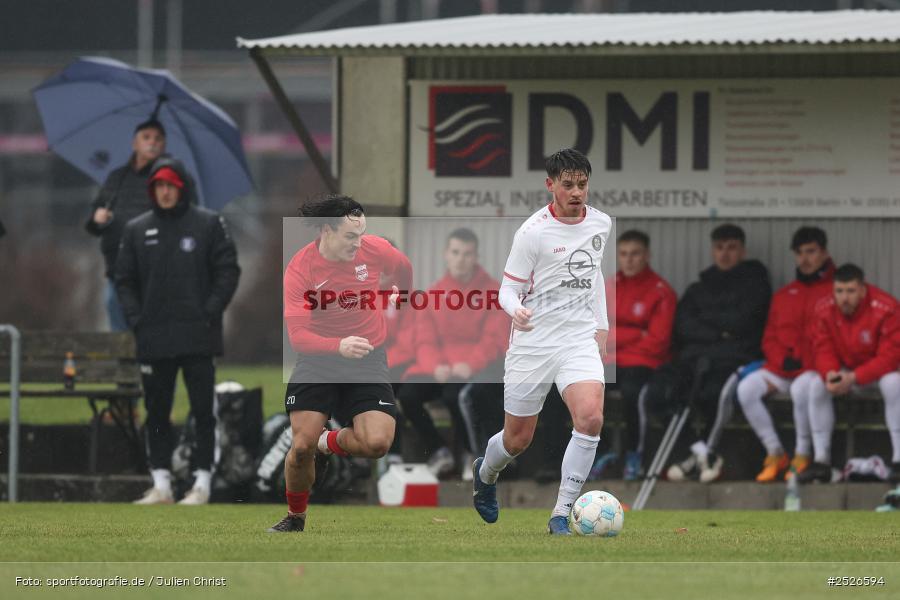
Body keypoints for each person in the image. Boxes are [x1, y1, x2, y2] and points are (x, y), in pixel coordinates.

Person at [471, 148, 612, 535]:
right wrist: (515, 310)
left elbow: (594, 272)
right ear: (551, 185)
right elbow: (507, 290)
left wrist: (601, 323)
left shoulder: (601, 223)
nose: (577, 192)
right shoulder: (532, 233)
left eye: (582, 184)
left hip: (577, 338)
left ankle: (561, 514)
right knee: (517, 440)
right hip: (533, 342)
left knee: (591, 417)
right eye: (568, 185)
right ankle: (485, 473)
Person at [270, 195, 412, 533]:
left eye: (361, 234)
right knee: (301, 447)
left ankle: (327, 442)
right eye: (351, 236)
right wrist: (338, 346)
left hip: (367, 360)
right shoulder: (300, 269)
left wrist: (400, 295)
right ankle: (295, 517)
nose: (358, 243)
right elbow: (299, 338)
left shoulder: (374, 250)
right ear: (326, 231)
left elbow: (403, 268)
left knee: (377, 444)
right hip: (318, 361)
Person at [116, 156, 240, 505]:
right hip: (154, 337)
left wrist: (210, 311)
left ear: (182, 188)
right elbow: (123, 280)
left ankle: (202, 483)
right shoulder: (136, 230)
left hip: (198, 336)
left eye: (171, 185)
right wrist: (136, 317)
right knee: (157, 410)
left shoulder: (209, 224)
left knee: (203, 411)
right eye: (159, 185)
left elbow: (228, 271)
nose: (165, 192)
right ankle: (161, 484)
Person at [648, 224, 771, 483]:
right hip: (692, 360)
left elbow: (744, 322)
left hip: (733, 360)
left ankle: (703, 454)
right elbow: (683, 325)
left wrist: (709, 326)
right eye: (719, 248)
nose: (725, 254)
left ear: (742, 250)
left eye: (731, 248)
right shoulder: (698, 288)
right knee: (657, 391)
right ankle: (700, 451)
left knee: (712, 394)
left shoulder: (756, 283)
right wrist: (720, 332)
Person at [398, 228, 508, 477]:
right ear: (446, 255)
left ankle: (472, 453)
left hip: (472, 369)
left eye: (467, 254)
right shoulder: (433, 293)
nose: (461, 259)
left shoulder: (493, 292)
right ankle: (439, 451)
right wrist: (434, 366)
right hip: (438, 368)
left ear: (476, 256)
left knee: (454, 396)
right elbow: (424, 339)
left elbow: (494, 338)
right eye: (456, 252)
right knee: (408, 395)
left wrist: (471, 364)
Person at [736, 227, 835, 482]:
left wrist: (810, 362)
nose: (805, 259)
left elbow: (837, 339)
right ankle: (775, 452)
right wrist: (781, 360)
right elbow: (769, 337)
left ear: (823, 253)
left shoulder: (836, 291)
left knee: (802, 387)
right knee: (746, 388)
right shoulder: (784, 294)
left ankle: (803, 454)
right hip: (783, 368)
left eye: (811, 252)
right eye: (800, 253)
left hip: (814, 370)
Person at [794, 264, 900, 484]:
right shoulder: (824, 309)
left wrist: (854, 377)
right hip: (846, 373)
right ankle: (821, 462)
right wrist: (831, 374)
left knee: (894, 383)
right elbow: (822, 348)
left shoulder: (887, 307)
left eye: (851, 291)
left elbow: (890, 357)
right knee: (817, 384)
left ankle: (899, 458)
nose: (844, 298)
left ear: (862, 290)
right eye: (839, 291)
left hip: (878, 373)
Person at [603, 229, 676, 480]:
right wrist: (635, 333)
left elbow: (657, 342)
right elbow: (595, 332)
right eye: (623, 254)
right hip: (609, 361)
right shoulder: (608, 286)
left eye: (635, 254)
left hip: (643, 363)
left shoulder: (660, 291)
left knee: (634, 394)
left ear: (647, 255)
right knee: (581, 389)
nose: (629, 259)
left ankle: (635, 454)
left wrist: (615, 338)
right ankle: (598, 455)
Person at [87, 119, 166, 331]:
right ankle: (125, 364)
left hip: (151, 271)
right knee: (118, 326)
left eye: (158, 138)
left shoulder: (167, 180)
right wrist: (98, 219)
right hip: (116, 270)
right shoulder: (116, 177)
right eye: (146, 137)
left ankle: (146, 364)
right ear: (134, 143)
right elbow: (93, 225)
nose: (153, 143)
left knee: (148, 330)